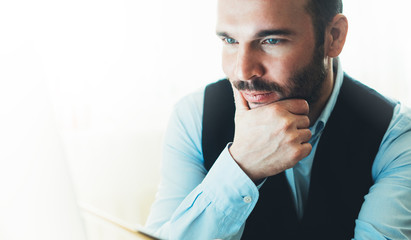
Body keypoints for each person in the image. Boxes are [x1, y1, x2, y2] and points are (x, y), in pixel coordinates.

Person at [145, 0, 411, 239]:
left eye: (271, 40)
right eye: (230, 41)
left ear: (334, 36)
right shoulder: (193, 118)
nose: (243, 70)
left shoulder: (396, 137)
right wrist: (241, 168)